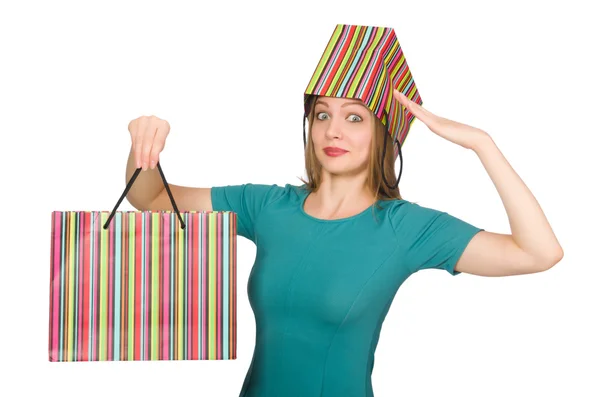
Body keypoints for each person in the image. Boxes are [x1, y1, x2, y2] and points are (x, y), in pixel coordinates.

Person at [123, 24, 563, 397]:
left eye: (355, 117)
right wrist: (145, 145)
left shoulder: (406, 228)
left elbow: (538, 253)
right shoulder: (267, 206)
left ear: (383, 132)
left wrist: (482, 145)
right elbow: (151, 200)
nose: (333, 130)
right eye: (321, 115)